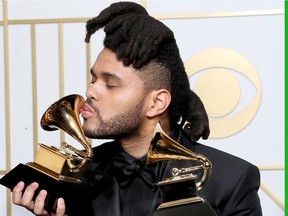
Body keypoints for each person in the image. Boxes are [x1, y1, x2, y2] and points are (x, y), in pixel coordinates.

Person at [11, 2, 262, 216]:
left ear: (156, 103)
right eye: (93, 79)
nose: (90, 92)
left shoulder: (232, 179)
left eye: (110, 84)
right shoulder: (80, 176)